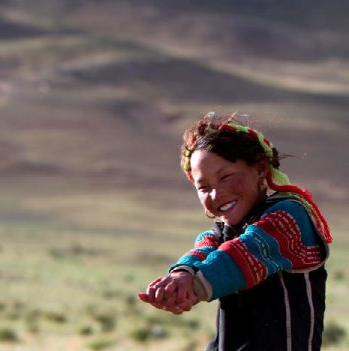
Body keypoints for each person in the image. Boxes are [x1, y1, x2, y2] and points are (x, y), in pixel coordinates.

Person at [137, 112, 332, 351]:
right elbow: (203, 250)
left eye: (226, 177)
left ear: (260, 169)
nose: (216, 195)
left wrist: (192, 288)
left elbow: (242, 255)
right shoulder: (224, 230)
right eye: (204, 187)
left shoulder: (289, 217)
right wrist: (180, 276)